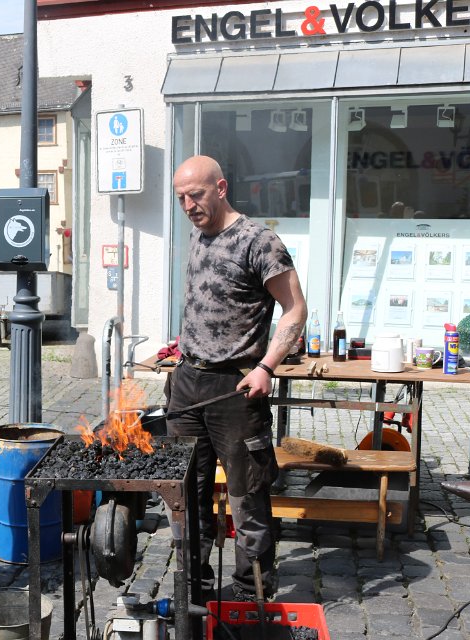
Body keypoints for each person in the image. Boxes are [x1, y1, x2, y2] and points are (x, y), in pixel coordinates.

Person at [167, 155, 307, 602]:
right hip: (188, 382)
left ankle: (251, 595)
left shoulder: (259, 241)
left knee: (247, 497)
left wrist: (267, 366)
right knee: (185, 492)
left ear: (222, 188)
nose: (188, 206)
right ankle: (193, 592)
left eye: (196, 195)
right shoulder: (197, 234)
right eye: (181, 198)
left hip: (237, 388)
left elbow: (295, 309)